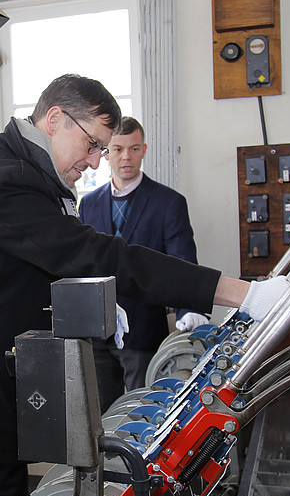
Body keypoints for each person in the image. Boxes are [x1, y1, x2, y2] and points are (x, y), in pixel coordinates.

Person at [0, 74, 289, 496]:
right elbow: (100, 252)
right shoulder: (7, 182)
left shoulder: (15, 165)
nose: (95, 162)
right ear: (55, 120)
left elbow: (28, 263)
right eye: (93, 145)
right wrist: (240, 292)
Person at [78, 116, 210, 412]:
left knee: (144, 413)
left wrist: (189, 308)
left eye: (134, 148)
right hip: (96, 332)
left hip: (143, 330)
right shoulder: (88, 204)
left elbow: (182, 261)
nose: (127, 157)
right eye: (118, 149)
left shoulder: (168, 202)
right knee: (101, 415)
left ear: (144, 149)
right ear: (106, 152)